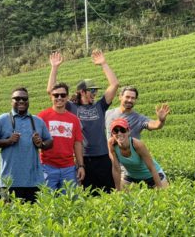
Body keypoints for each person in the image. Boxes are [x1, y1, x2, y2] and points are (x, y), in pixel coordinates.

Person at [47, 50, 119, 194]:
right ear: (82, 92)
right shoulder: (71, 107)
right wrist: (54, 67)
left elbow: (115, 84)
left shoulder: (100, 106)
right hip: (84, 159)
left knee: (108, 194)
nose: (94, 94)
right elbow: (51, 91)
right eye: (91, 91)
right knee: (88, 194)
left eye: (95, 91)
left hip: (103, 156)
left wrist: (103, 64)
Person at [0, 87, 52, 203]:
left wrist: (41, 144)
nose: (21, 101)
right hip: (9, 181)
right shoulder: (1, 120)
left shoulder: (37, 121)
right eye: (17, 98)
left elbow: (49, 141)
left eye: (24, 98)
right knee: (11, 218)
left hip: (35, 181)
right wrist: (8, 141)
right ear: (11, 101)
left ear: (28, 101)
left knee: (35, 217)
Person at [38, 83, 84, 191]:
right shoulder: (42, 116)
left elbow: (77, 143)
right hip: (47, 167)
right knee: (47, 203)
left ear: (67, 97)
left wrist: (81, 166)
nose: (59, 98)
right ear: (51, 97)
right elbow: (36, 142)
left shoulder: (74, 119)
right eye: (56, 95)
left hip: (69, 168)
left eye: (63, 95)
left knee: (70, 202)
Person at [108, 118, 169, 190]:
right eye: (116, 131)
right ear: (112, 134)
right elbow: (116, 168)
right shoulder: (111, 144)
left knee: (163, 195)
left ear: (128, 131)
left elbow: (152, 167)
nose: (119, 133)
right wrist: (118, 190)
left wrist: (159, 188)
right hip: (132, 177)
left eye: (122, 130)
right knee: (122, 196)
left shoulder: (137, 145)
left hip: (151, 176)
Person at [105, 86, 171, 139]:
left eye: (133, 98)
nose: (130, 100)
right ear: (120, 97)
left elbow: (155, 125)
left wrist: (161, 120)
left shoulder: (139, 119)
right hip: (110, 154)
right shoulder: (108, 114)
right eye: (127, 97)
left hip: (130, 155)